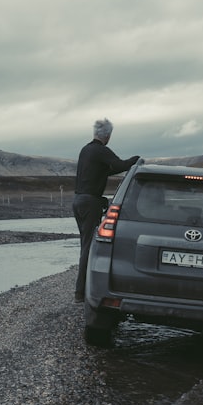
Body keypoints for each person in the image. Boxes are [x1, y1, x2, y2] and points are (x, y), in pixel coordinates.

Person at [73, 118, 141, 302]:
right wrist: (137, 160)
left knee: (84, 244)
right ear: (108, 135)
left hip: (78, 201)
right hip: (90, 203)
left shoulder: (86, 150)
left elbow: (100, 171)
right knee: (88, 247)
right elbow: (121, 165)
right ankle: (80, 293)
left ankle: (82, 289)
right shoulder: (101, 150)